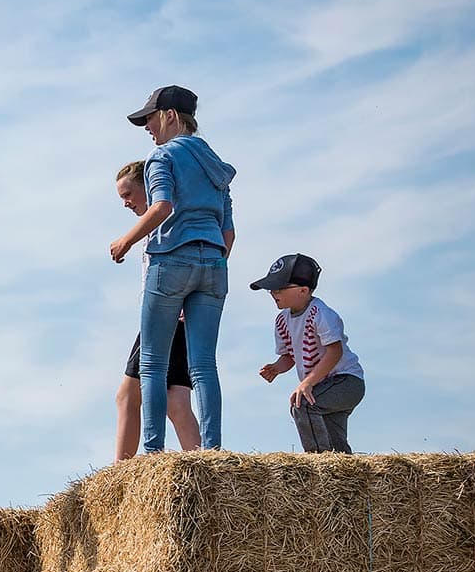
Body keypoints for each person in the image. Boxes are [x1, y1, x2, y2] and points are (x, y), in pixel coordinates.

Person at [110, 86, 236, 453]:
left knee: (152, 364)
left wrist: (125, 241)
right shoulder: (217, 167)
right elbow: (228, 232)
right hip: (214, 263)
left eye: (150, 118)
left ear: (170, 116)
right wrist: (213, 263)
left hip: (171, 259)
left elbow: (162, 207)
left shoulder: (162, 156)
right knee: (204, 365)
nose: (148, 127)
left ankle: (153, 452)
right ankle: (211, 451)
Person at [111, 161, 201, 460]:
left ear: (149, 186)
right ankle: (205, 468)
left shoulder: (167, 216)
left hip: (166, 313)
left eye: (128, 194)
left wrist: (125, 241)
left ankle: (120, 473)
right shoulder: (168, 221)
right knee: (176, 400)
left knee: (127, 395)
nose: (125, 203)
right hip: (176, 313)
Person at [252, 254, 366, 453]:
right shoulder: (282, 320)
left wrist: (307, 382)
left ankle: (316, 463)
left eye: (279, 288)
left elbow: (335, 351)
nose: (272, 293)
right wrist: (277, 368)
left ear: (303, 290)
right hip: (323, 385)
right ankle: (339, 467)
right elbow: (290, 356)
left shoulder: (321, 313)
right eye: (271, 288)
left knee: (302, 404)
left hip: (347, 381)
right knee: (335, 443)